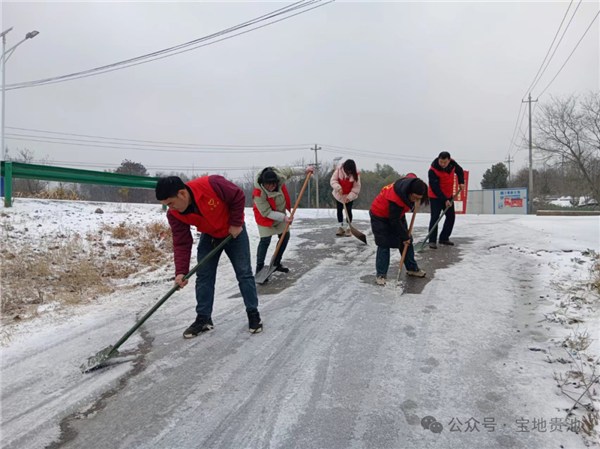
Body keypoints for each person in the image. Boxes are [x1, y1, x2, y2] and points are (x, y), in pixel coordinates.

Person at [155, 175, 262, 338]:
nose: (171, 208)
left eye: (171, 203)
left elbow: (237, 195)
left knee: (244, 272)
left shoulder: (211, 184)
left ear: (182, 194)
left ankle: (253, 313)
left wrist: (235, 223)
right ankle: (203, 318)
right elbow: (182, 243)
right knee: (204, 276)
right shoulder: (174, 214)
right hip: (210, 235)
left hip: (234, 232)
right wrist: (181, 272)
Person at [253, 166, 313, 274]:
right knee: (265, 240)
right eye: (267, 185)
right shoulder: (258, 193)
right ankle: (259, 268)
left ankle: (276, 263)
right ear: (263, 183)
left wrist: (305, 170)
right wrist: (284, 218)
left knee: (285, 236)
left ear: (276, 181)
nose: (270, 187)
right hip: (265, 216)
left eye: (273, 184)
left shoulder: (279, 174)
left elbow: (291, 170)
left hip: (279, 211)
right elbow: (266, 212)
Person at [370, 175, 429, 286]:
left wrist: (406, 237)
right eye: (415, 198)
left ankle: (412, 268)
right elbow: (394, 221)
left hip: (397, 215)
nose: (416, 200)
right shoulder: (396, 198)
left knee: (407, 242)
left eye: (419, 198)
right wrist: (404, 236)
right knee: (384, 244)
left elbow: (411, 175)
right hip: (380, 215)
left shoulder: (412, 183)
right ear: (409, 192)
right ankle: (381, 275)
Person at [427, 151, 465, 249]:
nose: (443, 164)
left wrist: (461, 182)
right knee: (435, 217)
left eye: (445, 162)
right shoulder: (433, 170)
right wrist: (444, 200)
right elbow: (435, 188)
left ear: (449, 160)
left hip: (448, 195)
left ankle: (444, 238)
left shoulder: (452, 164)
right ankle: (432, 241)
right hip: (435, 197)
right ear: (438, 159)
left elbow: (460, 170)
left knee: (451, 217)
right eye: (441, 162)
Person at [330, 159, 361, 237]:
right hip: (339, 194)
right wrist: (338, 188)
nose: (349, 172)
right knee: (339, 210)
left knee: (348, 210)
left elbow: (356, 187)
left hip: (349, 195)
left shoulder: (356, 174)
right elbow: (333, 181)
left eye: (351, 171)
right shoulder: (338, 171)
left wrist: (349, 197)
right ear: (345, 168)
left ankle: (348, 227)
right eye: (348, 170)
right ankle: (340, 227)